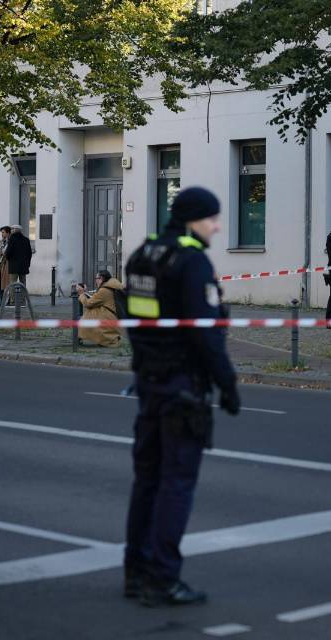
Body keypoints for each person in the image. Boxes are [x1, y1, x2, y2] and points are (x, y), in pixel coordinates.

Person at [122, 186, 240, 608]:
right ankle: (163, 579)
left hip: (150, 381)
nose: (218, 226)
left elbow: (133, 321)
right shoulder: (191, 261)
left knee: (148, 481)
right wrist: (227, 383)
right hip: (183, 387)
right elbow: (205, 332)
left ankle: (135, 573)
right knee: (176, 483)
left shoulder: (144, 254)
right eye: (212, 218)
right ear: (193, 219)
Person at [76, 269, 125, 347]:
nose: (96, 281)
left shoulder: (104, 290)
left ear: (101, 279)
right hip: (113, 316)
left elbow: (88, 303)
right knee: (93, 311)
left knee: (91, 312)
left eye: (96, 278)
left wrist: (81, 294)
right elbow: (97, 299)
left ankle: (81, 335)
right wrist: (85, 292)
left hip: (108, 316)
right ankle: (108, 338)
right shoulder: (111, 287)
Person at [5, 224, 32, 289]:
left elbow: (8, 252)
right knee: (23, 284)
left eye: (11, 229)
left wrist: (7, 258)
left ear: (14, 230)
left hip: (13, 266)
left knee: (12, 284)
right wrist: (27, 264)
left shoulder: (12, 239)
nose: (11, 231)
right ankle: (23, 298)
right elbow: (29, 253)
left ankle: (12, 299)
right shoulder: (26, 240)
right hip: (23, 266)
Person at [0, 226, 11, 297]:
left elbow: (7, 252)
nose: (2, 234)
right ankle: (1, 296)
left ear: (8, 233)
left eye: (3, 232)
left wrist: (2, 253)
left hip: (7, 264)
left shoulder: (10, 241)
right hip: (0, 264)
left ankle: (8, 297)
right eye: (2, 232)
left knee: (6, 282)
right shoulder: (1, 241)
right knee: (0, 281)